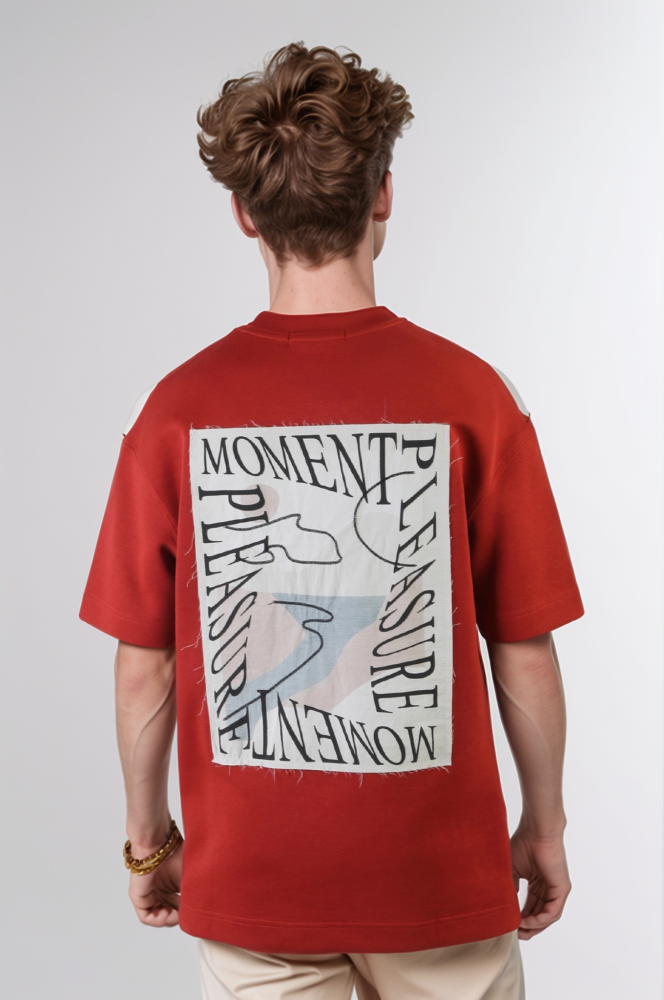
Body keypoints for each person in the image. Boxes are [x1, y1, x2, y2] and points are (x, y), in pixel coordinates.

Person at [80, 42, 583, 1000]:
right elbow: (523, 646)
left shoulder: (174, 412)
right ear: (383, 195)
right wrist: (544, 826)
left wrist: (147, 843)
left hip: (255, 891)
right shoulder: (474, 398)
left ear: (243, 212)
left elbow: (145, 665)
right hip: (439, 889)